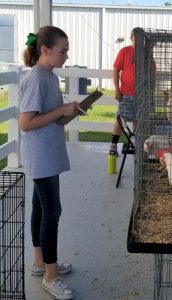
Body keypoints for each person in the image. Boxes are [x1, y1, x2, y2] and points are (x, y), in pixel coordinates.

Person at [19, 26, 80, 300]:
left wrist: (68, 112)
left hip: (48, 152)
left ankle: (40, 262)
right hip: (41, 155)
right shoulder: (36, 79)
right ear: (45, 50)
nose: (66, 56)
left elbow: (49, 116)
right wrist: (60, 110)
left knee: (39, 207)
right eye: (62, 51)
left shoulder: (50, 77)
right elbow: (26, 123)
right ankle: (50, 277)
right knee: (51, 211)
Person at [109, 28, 137, 156]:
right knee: (120, 119)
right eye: (136, 36)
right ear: (131, 37)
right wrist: (117, 90)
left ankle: (136, 144)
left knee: (139, 120)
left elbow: (151, 74)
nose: (138, 39)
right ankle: (113, 145)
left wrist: (150, 93)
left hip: (142, 96)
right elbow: (115, 70)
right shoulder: (124, 51)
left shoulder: (147, 53)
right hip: (126, 93)